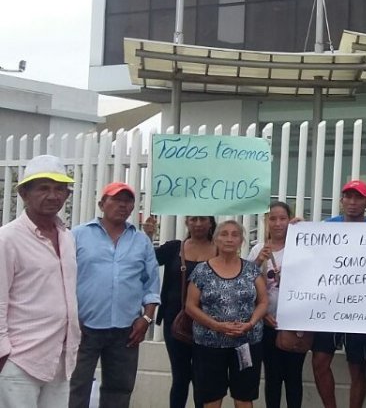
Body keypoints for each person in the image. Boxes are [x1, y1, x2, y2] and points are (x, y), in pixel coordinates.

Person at [69, 181, 161, 408]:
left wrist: (146, 319)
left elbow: (151, 285)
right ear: (102, 204)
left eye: (127, 201)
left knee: (119, 390)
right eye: (116, 200)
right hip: (83, 327)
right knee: (75, 386)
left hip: (127, 330)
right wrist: (70, 317)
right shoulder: (77, 236)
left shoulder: (141, 241)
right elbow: (62, 279)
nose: (122, 205)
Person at [0, 154, 80, 407]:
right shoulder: (7, 239)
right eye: (44, 188)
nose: (53, 195)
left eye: (60, 189)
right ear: (24, 193)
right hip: (20, 359)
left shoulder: (67, 237)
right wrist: (3, 354)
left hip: (60, 357)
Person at [311, 180, 366, 408]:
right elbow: (306, 251)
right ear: (341, 200)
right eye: (348, 197)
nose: (353, 202)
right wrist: (295, 228)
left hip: (362, 308)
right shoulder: (326, 227)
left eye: (358, 198)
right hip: (330, 306)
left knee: (357, 367)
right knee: (320, 362)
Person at [186, 220, 268, 408]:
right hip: (209, 345)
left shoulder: (251, 270)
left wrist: (251, 323)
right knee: (212, 398)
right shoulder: (202, 271)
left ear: (241, 241)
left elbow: (263, 302)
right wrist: (216, 326)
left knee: (244, 397)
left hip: (246, 343)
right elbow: (190, 306)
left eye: (235, 234)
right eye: (224, 234)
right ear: (215, 239)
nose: (229, 239)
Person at [144, 214, 217, 408]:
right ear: (187, 222)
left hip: (210, 324)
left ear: (211, 222)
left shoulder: (221, 250)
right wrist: (149, 236)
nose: (198, 224)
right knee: (180, 376)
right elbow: (148, 261)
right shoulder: (173, 248)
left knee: (202, 378)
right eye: (194, 219)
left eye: (203, 219)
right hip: (175, 322)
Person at [248, 202, 306, 408]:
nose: (278, 223)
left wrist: (306, 229)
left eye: (283, 218)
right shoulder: (257, 249)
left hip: (294, 323)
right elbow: (246, 286)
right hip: (268, 322)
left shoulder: (301, 246)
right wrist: (256, 264)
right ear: (266, 222)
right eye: (273, 218)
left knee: (293, 377)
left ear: (290, 219)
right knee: (272, 377)